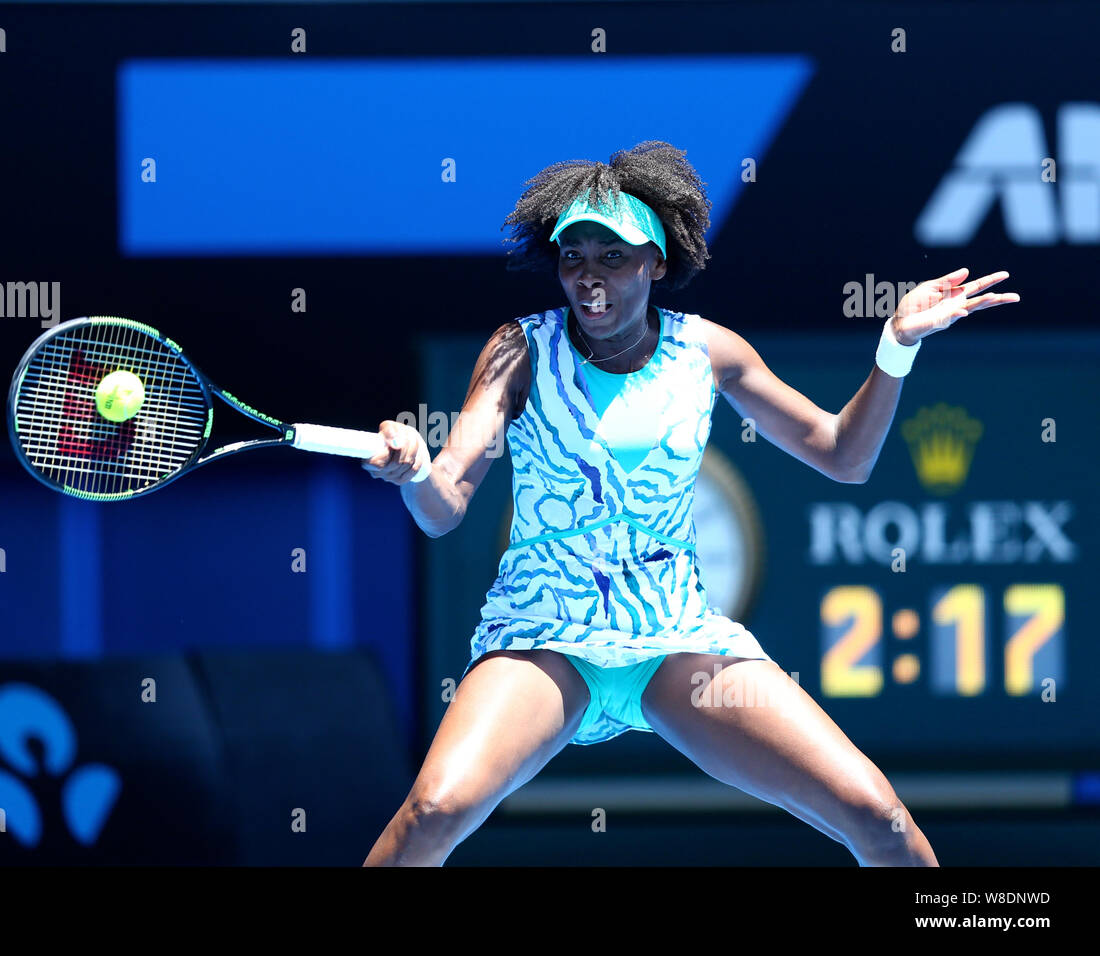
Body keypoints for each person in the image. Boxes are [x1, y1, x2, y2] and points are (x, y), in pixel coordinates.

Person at [360, 140, 1019, 866]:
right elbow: (445, 503)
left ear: (658, 263)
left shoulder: (708, 353)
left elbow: (843, 455)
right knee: (432, 812)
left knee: (875, 812)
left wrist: (895, 346)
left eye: (614, 256)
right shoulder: (519, 351)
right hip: (542, 640)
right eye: (573, 256)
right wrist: (418, 471)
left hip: (675, 642)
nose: (590, 277)